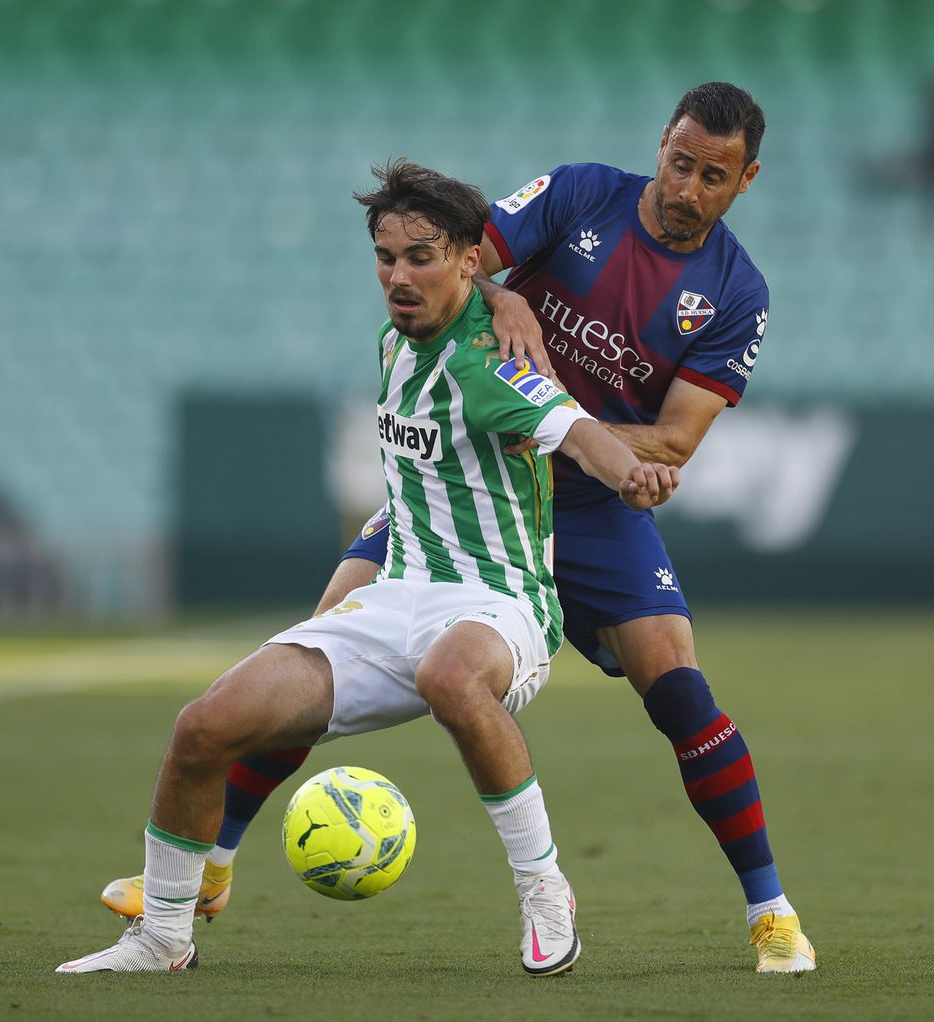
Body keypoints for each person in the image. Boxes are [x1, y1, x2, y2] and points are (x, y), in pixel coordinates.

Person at [102, 81, 816, 974]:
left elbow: (674, 437)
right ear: (662, 145)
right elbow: (462, 250)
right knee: (322, 638)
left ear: (745, 181)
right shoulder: (582, 192)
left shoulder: (736, 292)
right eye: (679, 162)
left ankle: (770, 911)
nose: (686, 188)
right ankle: (210, 869)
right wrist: (507, 306)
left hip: (585, 502)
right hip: (459, 485)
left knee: (677, 689)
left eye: (713, 175)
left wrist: (536, 414)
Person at [58, 159, 680, 976]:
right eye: (386, 256)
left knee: (453, 678)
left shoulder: (490, 365)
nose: (398, 275)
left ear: (468, 258)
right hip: (399, 598)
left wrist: (628, 471)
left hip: (503, 607)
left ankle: (544, 889)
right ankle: (164, 937)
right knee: (202, 728)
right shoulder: (395, 341)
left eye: (421, 256)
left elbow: (575, 427)